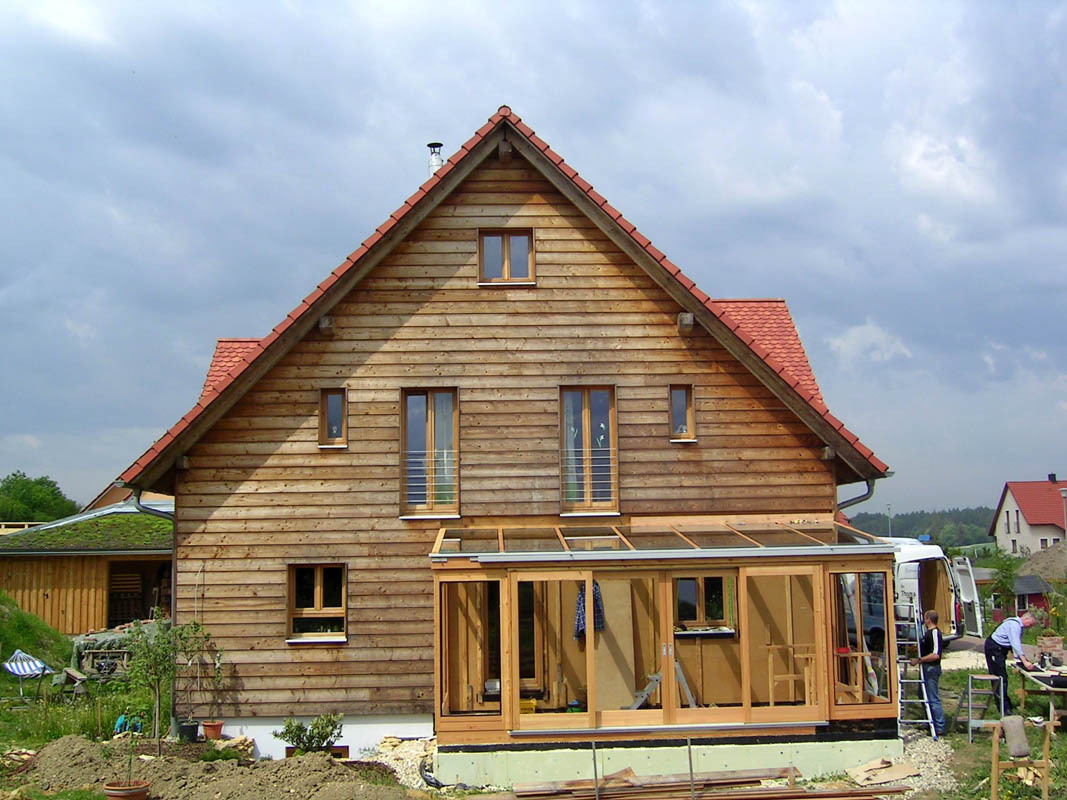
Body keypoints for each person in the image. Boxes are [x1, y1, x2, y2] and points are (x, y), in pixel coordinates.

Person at [984, 610, 1038, 714]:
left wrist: (1020, 660)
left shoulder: (1019, 627)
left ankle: (1005, 704)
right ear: (1026, 619)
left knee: (1002, 678)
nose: (1030, 627)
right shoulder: (1014, 626)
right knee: (1000, 678)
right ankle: (1004, 709)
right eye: (1030, 624)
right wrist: (1025, 662)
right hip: (994, 648)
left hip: (1001, 649)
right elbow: (1015, 645)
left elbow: (1015, 648)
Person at [910, 610, 946, 737]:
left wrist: (919, 660)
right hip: (925, 667)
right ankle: (928, 720)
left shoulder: (935, 633)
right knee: (922, 694)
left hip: (931, 668)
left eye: (925, 618)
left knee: (932, 697)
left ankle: (940, 726)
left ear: (929, 619)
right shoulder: (927, 633)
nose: (924, 621)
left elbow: (936, 654)